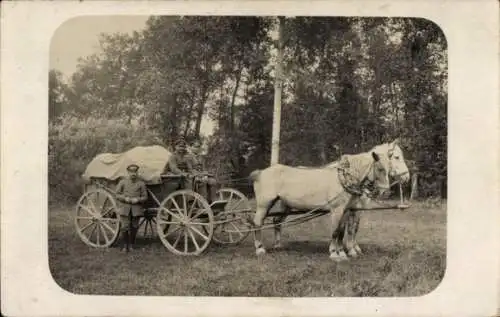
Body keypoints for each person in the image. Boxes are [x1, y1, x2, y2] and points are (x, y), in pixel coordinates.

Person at [115, 164, 148, 252]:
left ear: (137, 172)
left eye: (135, 172)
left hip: (136, 208)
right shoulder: (123, 182)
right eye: (131, 172)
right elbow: (117, 194)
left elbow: (145, 197)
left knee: (134, 226)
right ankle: (125, 246)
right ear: (128, 172)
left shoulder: (141, 184)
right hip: (125, 208)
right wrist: (125, 198)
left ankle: (132, 245)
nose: (133, 174)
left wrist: (137, 200)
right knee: (125, 227)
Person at [190, 139, 217, 203]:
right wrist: (200, 176)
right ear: (191, 147)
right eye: (195, 147)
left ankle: (213, 201)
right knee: (203, 181)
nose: (197, 148)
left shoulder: (201, 157)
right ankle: (202, 203)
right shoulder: (187, 157)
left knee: (213, 181)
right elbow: (189, 169)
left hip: (202, 175)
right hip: (193, 176)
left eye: (198, 147)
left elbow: (204, 169)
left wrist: (205, 175)